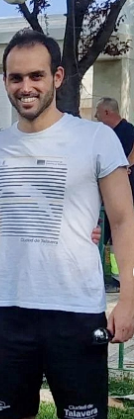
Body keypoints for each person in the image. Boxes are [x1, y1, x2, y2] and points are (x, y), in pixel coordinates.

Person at [0, 29, 134, 419]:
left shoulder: (95, 138)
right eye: (16, 78)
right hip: (9, 307)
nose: (25, 87)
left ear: (57, 77)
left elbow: (123, 221)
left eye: (36, 76)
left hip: (76, 308)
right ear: (5, 82)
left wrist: (128, 299)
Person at [95, 97, 134, 292]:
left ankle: (122, 281)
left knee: (121, 234)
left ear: (107, 112)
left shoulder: (127, 131)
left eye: (98, 114)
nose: (96, 118)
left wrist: (126, 165)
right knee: (107, 236)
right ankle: (113, 278)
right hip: (109, 196)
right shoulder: (106, 135)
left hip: (127, 195)